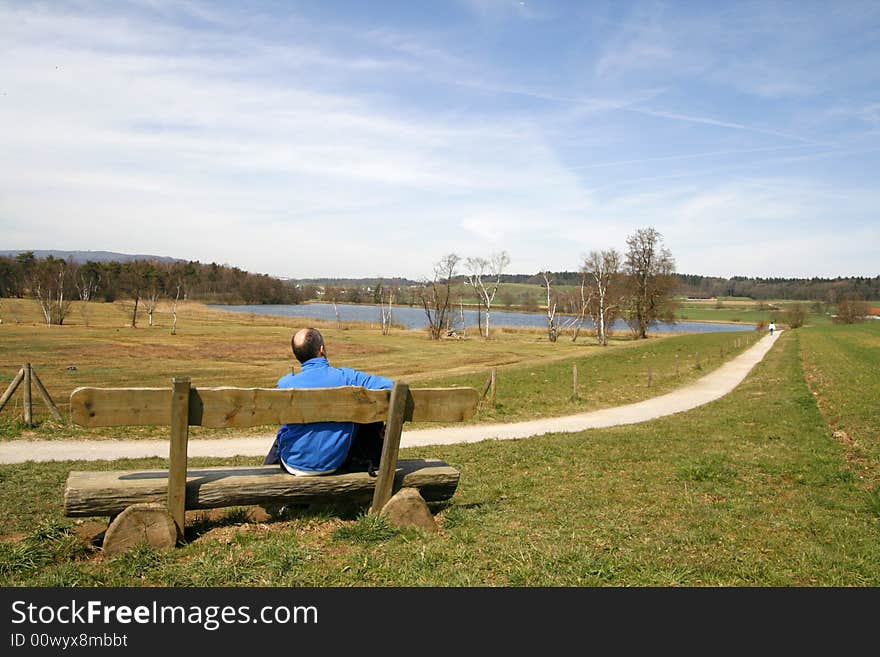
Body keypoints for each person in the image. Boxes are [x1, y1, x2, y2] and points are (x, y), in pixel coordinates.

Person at [264, 327, 394, 476]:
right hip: (334, 463)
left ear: (297, 356)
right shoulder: (349, 378)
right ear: (322, 350)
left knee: (284, 433)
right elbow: (391, 386)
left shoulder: (285, 384)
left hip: (292, 465)